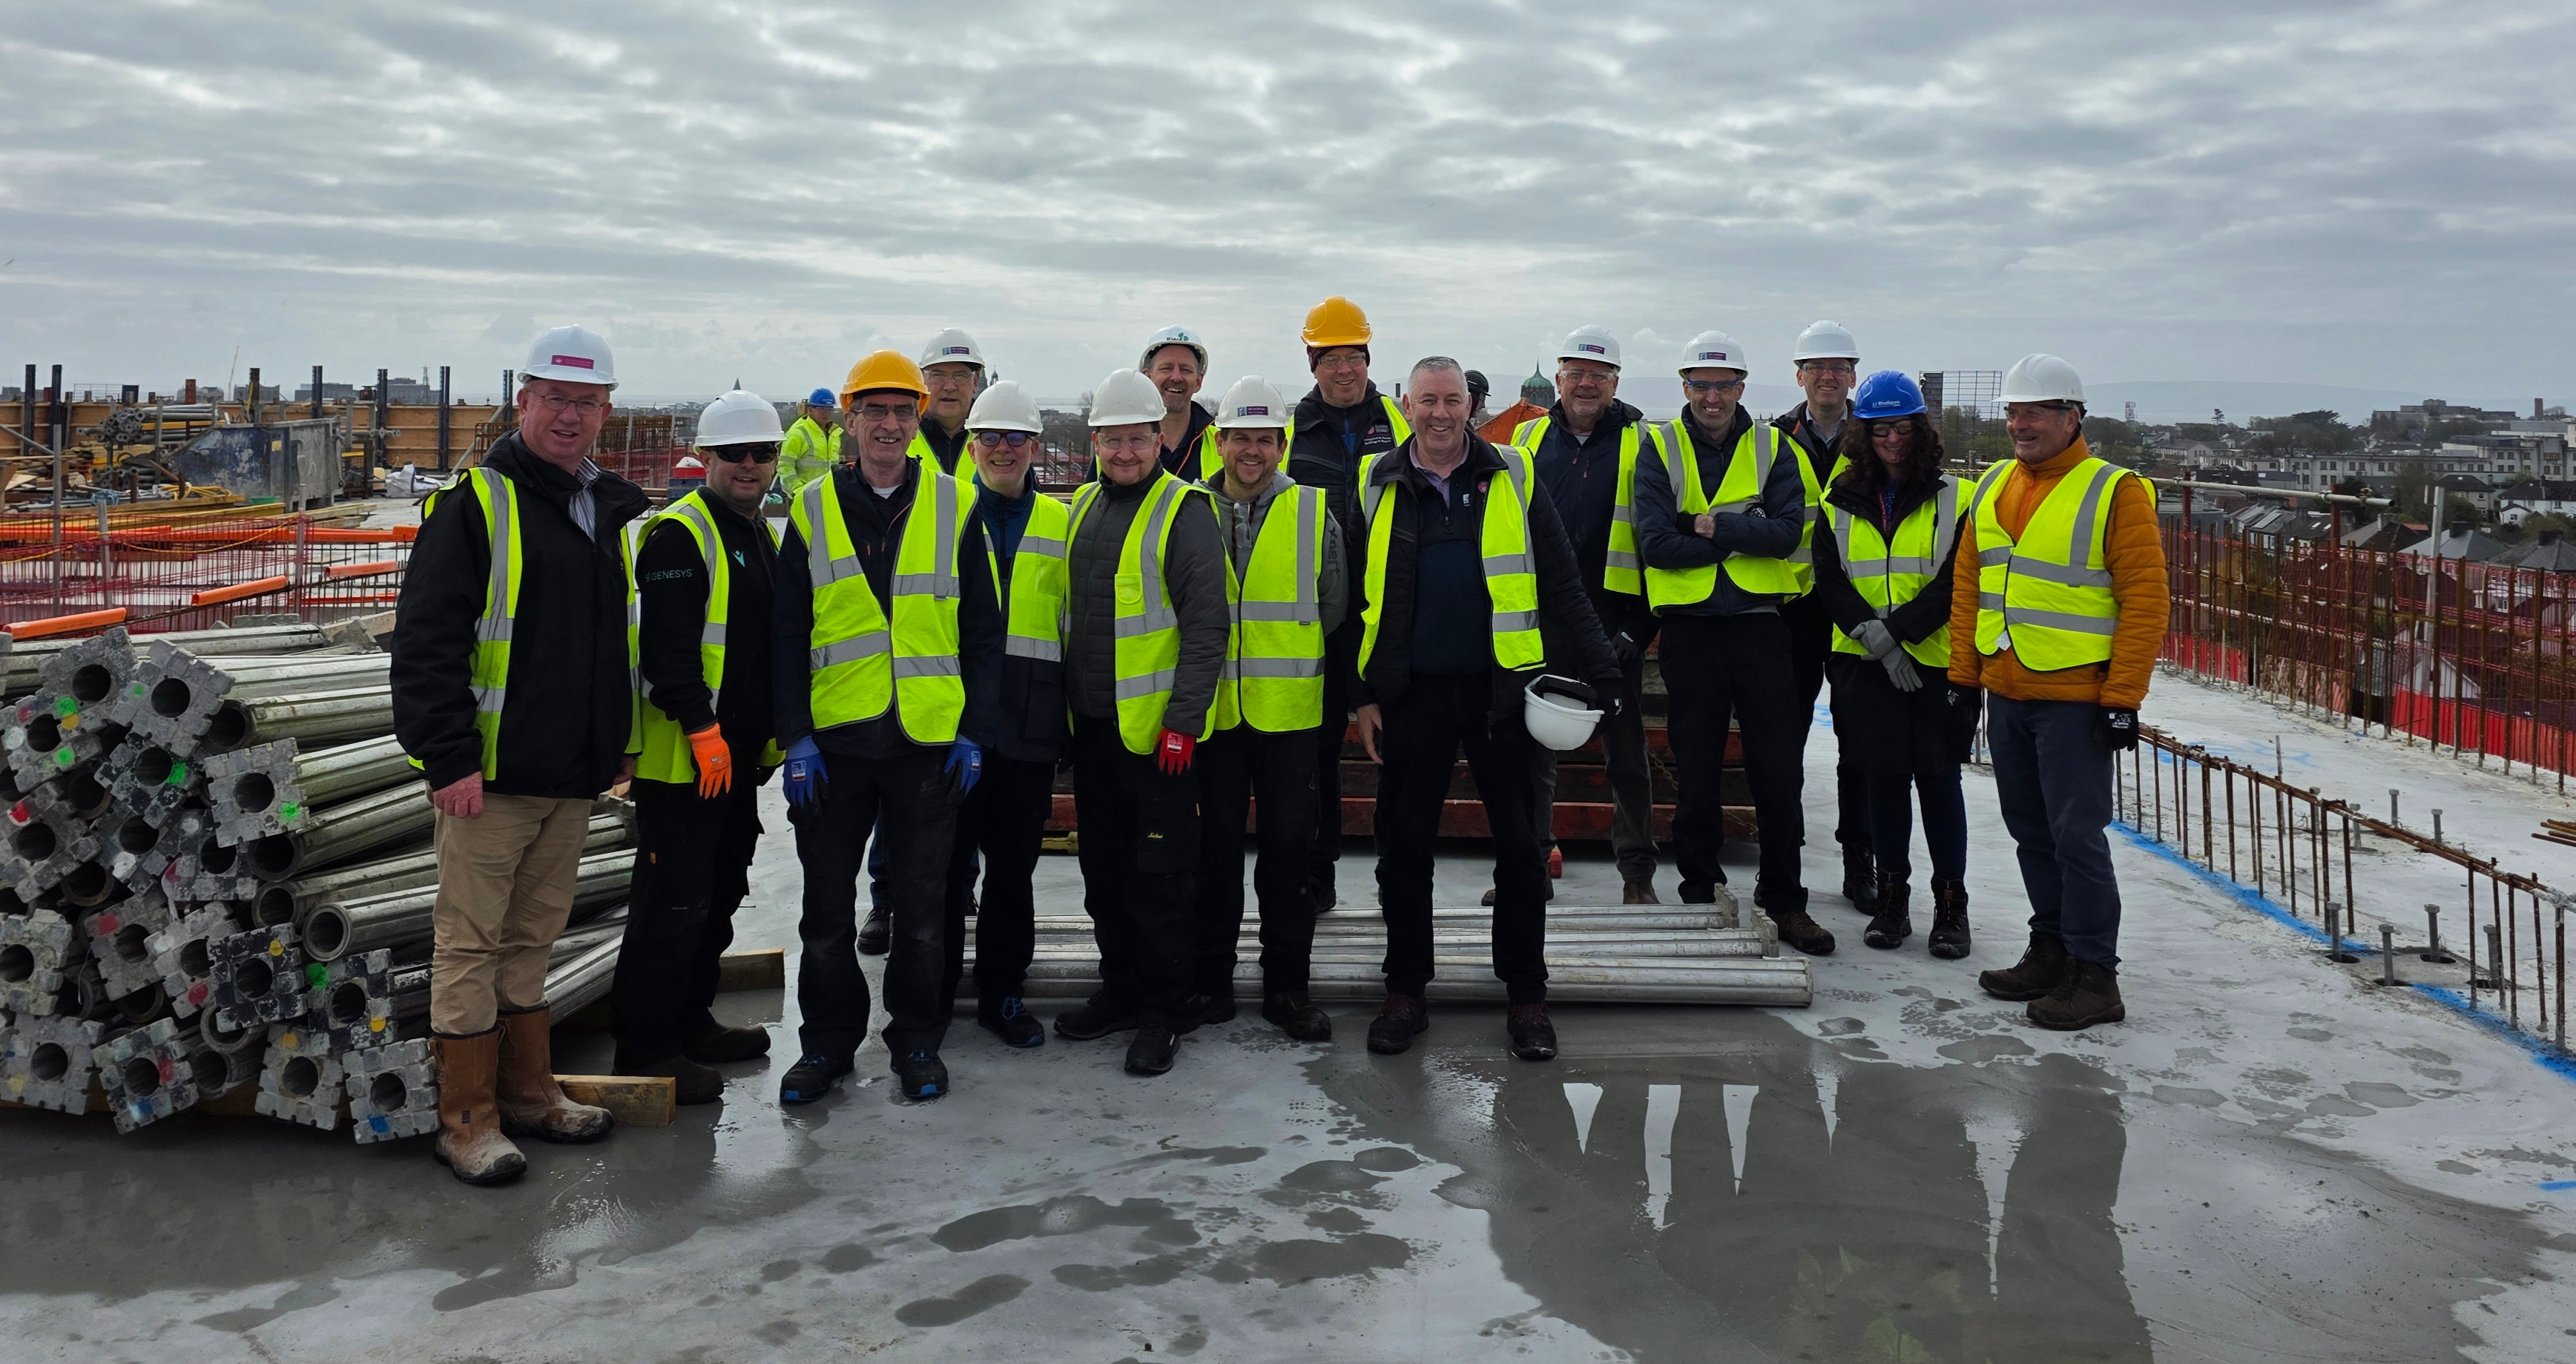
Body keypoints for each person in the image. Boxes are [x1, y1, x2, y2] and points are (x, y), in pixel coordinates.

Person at [392, 324, 647, 1186]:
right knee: (470, 944)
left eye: (586, 403)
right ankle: (467, 1118)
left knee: (533, 937)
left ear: (605, 411)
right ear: (523, 401)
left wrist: (614, 744)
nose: (569, 416)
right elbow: (426, 643)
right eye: (555, 399)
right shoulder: (476, 505)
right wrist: (447, 758)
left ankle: (530, 1092)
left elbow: (607, 645)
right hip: (490, 776)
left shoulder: (602, 510)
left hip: (570, 774)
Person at [1352, 357, 1621, 1063]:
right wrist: (1363, 694)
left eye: (1452, 400)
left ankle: (1526, 996)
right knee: (1403, 850)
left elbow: (1562, 583)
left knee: (1521, 852)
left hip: (1501, 696)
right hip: (1411, 696)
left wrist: (1603, 670)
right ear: (1406, 406)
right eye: (1427, 401)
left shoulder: (1513, 474)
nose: (1440, 413)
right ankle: (1405, 990)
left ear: (1470, 405)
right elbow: (1352, 597)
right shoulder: (1375, 481)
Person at [771, 349, 1004, 1104]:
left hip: (925, 744)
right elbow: (786, 631)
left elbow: (983, 630)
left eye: (904, 411)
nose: (890, 424)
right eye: (875, 410)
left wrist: (972, 730)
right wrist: (794, 736)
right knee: (825, 914)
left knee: (924, 912)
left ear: (917, 420)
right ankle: (825, 1047)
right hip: (835, 744)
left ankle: (917, 1042)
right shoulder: (812, 508)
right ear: (850, 419)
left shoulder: (955, 503)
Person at [1952, 355, 2167, 1030]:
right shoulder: (1992, 484)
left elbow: (2145, 599)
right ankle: (2049, 950)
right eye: (2013, 413)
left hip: (2075, 697)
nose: (2020, 424)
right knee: (2030, 830)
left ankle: (2094, 974)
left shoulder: (2114, 491)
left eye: (2035, 413)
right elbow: (1969, 585)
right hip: (2007, 688)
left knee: (2076, 836)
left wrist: (2123, 697)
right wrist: (1963, 679)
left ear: (2071, 418)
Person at [1632, 329, 1836, 955]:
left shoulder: (1774, 447)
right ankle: (1700, 890)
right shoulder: (1659, 446)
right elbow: (1655, 543)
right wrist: (1743, 529)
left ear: (1741, 388)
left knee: (1776, 768)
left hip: (1759, 625)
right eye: (1701, 385)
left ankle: (1785, 899)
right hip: (1690, 628)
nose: (1712, 397)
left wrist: (1706, 525)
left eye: (1723, 385)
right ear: (1685, 387)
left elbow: (1785, 534)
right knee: (1695, 766)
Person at [1053, 368, 1232, 1076]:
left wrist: (1183, 721)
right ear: (1094, 441)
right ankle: (1120, 990)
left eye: (1137, 438)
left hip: (1160, 739)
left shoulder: (1184, 510)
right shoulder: (1083, 505)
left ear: (1159, 438)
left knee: (1160, 878)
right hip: (1095, 730)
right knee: (1103, 871)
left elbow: (1206, 627)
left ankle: (1163, 1009)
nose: (1124, 451)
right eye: (1112, 439)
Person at [608, 389, 783, 1103]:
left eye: (761, 453)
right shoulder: (682, 534)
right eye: (733, 453)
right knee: (672, 904)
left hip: (733, 758)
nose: (749, 464)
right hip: (686, 760)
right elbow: (667, 649)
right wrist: (701, 729)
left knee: (719, 892)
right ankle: (646, 1046)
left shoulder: (755, 532)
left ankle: (690, 1020)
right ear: (705, 457)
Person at [1192, 375, 1344, 1043]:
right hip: (1215, 716)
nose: (1251, 450)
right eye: (1239, 438)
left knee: (1288, 856)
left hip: (1288, 716)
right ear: (1218, 442)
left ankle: (1287, 989)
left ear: (1281, 445)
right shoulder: (1189, 510)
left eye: (1264, 439)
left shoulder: (1312, 512)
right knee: (1214, 855)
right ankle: (1211, 985)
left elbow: (1333, 604)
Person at [1810, 372, 1971, 958]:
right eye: (1880, 430)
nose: (1892, 440)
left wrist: (1899, 633)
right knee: (1883, 778)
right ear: (1864, 434)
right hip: (1864, 662)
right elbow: (1828, 577)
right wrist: (1875, 640)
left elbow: (1957, 579)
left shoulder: (1957, 497)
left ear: (1920, 428)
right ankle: (1891, 899)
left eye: (1902, 428)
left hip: (1934, 663)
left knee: (1938, 779)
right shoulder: (1838, 498)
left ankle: (1950, 906)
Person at [1506, 325, 1661, 906]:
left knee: (1626, 755)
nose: (1586, 384)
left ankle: (1636, 875)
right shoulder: (1526, 439)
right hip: (1543, 622)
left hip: (1612, 625)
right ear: (1558, 379)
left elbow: (1658, 543)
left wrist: (1637, 629)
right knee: (1531, 752)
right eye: (1575, 373)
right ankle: (1529, 867)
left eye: (1598, 374)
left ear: (1615, 382)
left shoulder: (1645, 443)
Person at [941, 380, 1067, 1050]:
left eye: (1016, 437)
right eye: (989, 436)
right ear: (971, 445)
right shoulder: (943, 515)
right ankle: (933, 989)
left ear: (1034, 447)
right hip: (953, 723)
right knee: (942, 869)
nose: (1002, 448)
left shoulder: (1060, 522)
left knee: (1012, 872)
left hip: (1029, 722)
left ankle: (1002, 991)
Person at [1285, 297, 1412, 914]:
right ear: (1312, 364)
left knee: (1397, 750)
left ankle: (1397, 877)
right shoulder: (1289, 433)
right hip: (1314, 618)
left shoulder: (1401, 425)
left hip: (1388, 614)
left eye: (1354, 356)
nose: (1345, 369)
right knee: (1314, 756)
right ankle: (1317, 877)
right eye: (1331, 358)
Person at [1773, 321, 1874, 917]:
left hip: (1857, 608)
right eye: (1816, 367)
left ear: (1852, 376)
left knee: (1858, 741)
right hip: (1792, 608)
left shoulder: (1877, 436)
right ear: (1799, 376)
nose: (1828, 377)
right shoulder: (1772, 439)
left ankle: (1859, 859)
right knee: (1783, 739)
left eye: (1838, 367)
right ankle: (1784, 855)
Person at [1141, 325, 1219, 478]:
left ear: (1198, 381)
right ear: (1147, 377)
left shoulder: (1223, 443)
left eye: (1185, 370)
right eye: (1166, 368)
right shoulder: (1118, 442)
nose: (1176, 377)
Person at [781, 388, 841, 497]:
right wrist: (798, 491)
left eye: (829, 409)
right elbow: (785, 466)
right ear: (810, 410)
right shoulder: (798, 433)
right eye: (821, 408)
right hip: (804, 496)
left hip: (828, 494)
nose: (826, 413)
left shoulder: (833, 434)